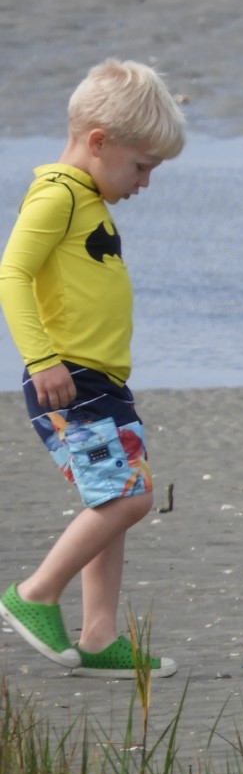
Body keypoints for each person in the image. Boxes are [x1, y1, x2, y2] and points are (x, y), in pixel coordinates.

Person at [0, 59, 186, 678]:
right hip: (69, 378)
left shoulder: (85, 198)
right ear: (99, 142)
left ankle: (100, 634)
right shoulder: (58, 194)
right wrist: (42, 359)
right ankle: (34, 594)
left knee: (113, 499)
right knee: (129, 498)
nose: (145, 183)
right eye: (141, 167)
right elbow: (12, 274)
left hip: (101, 380)